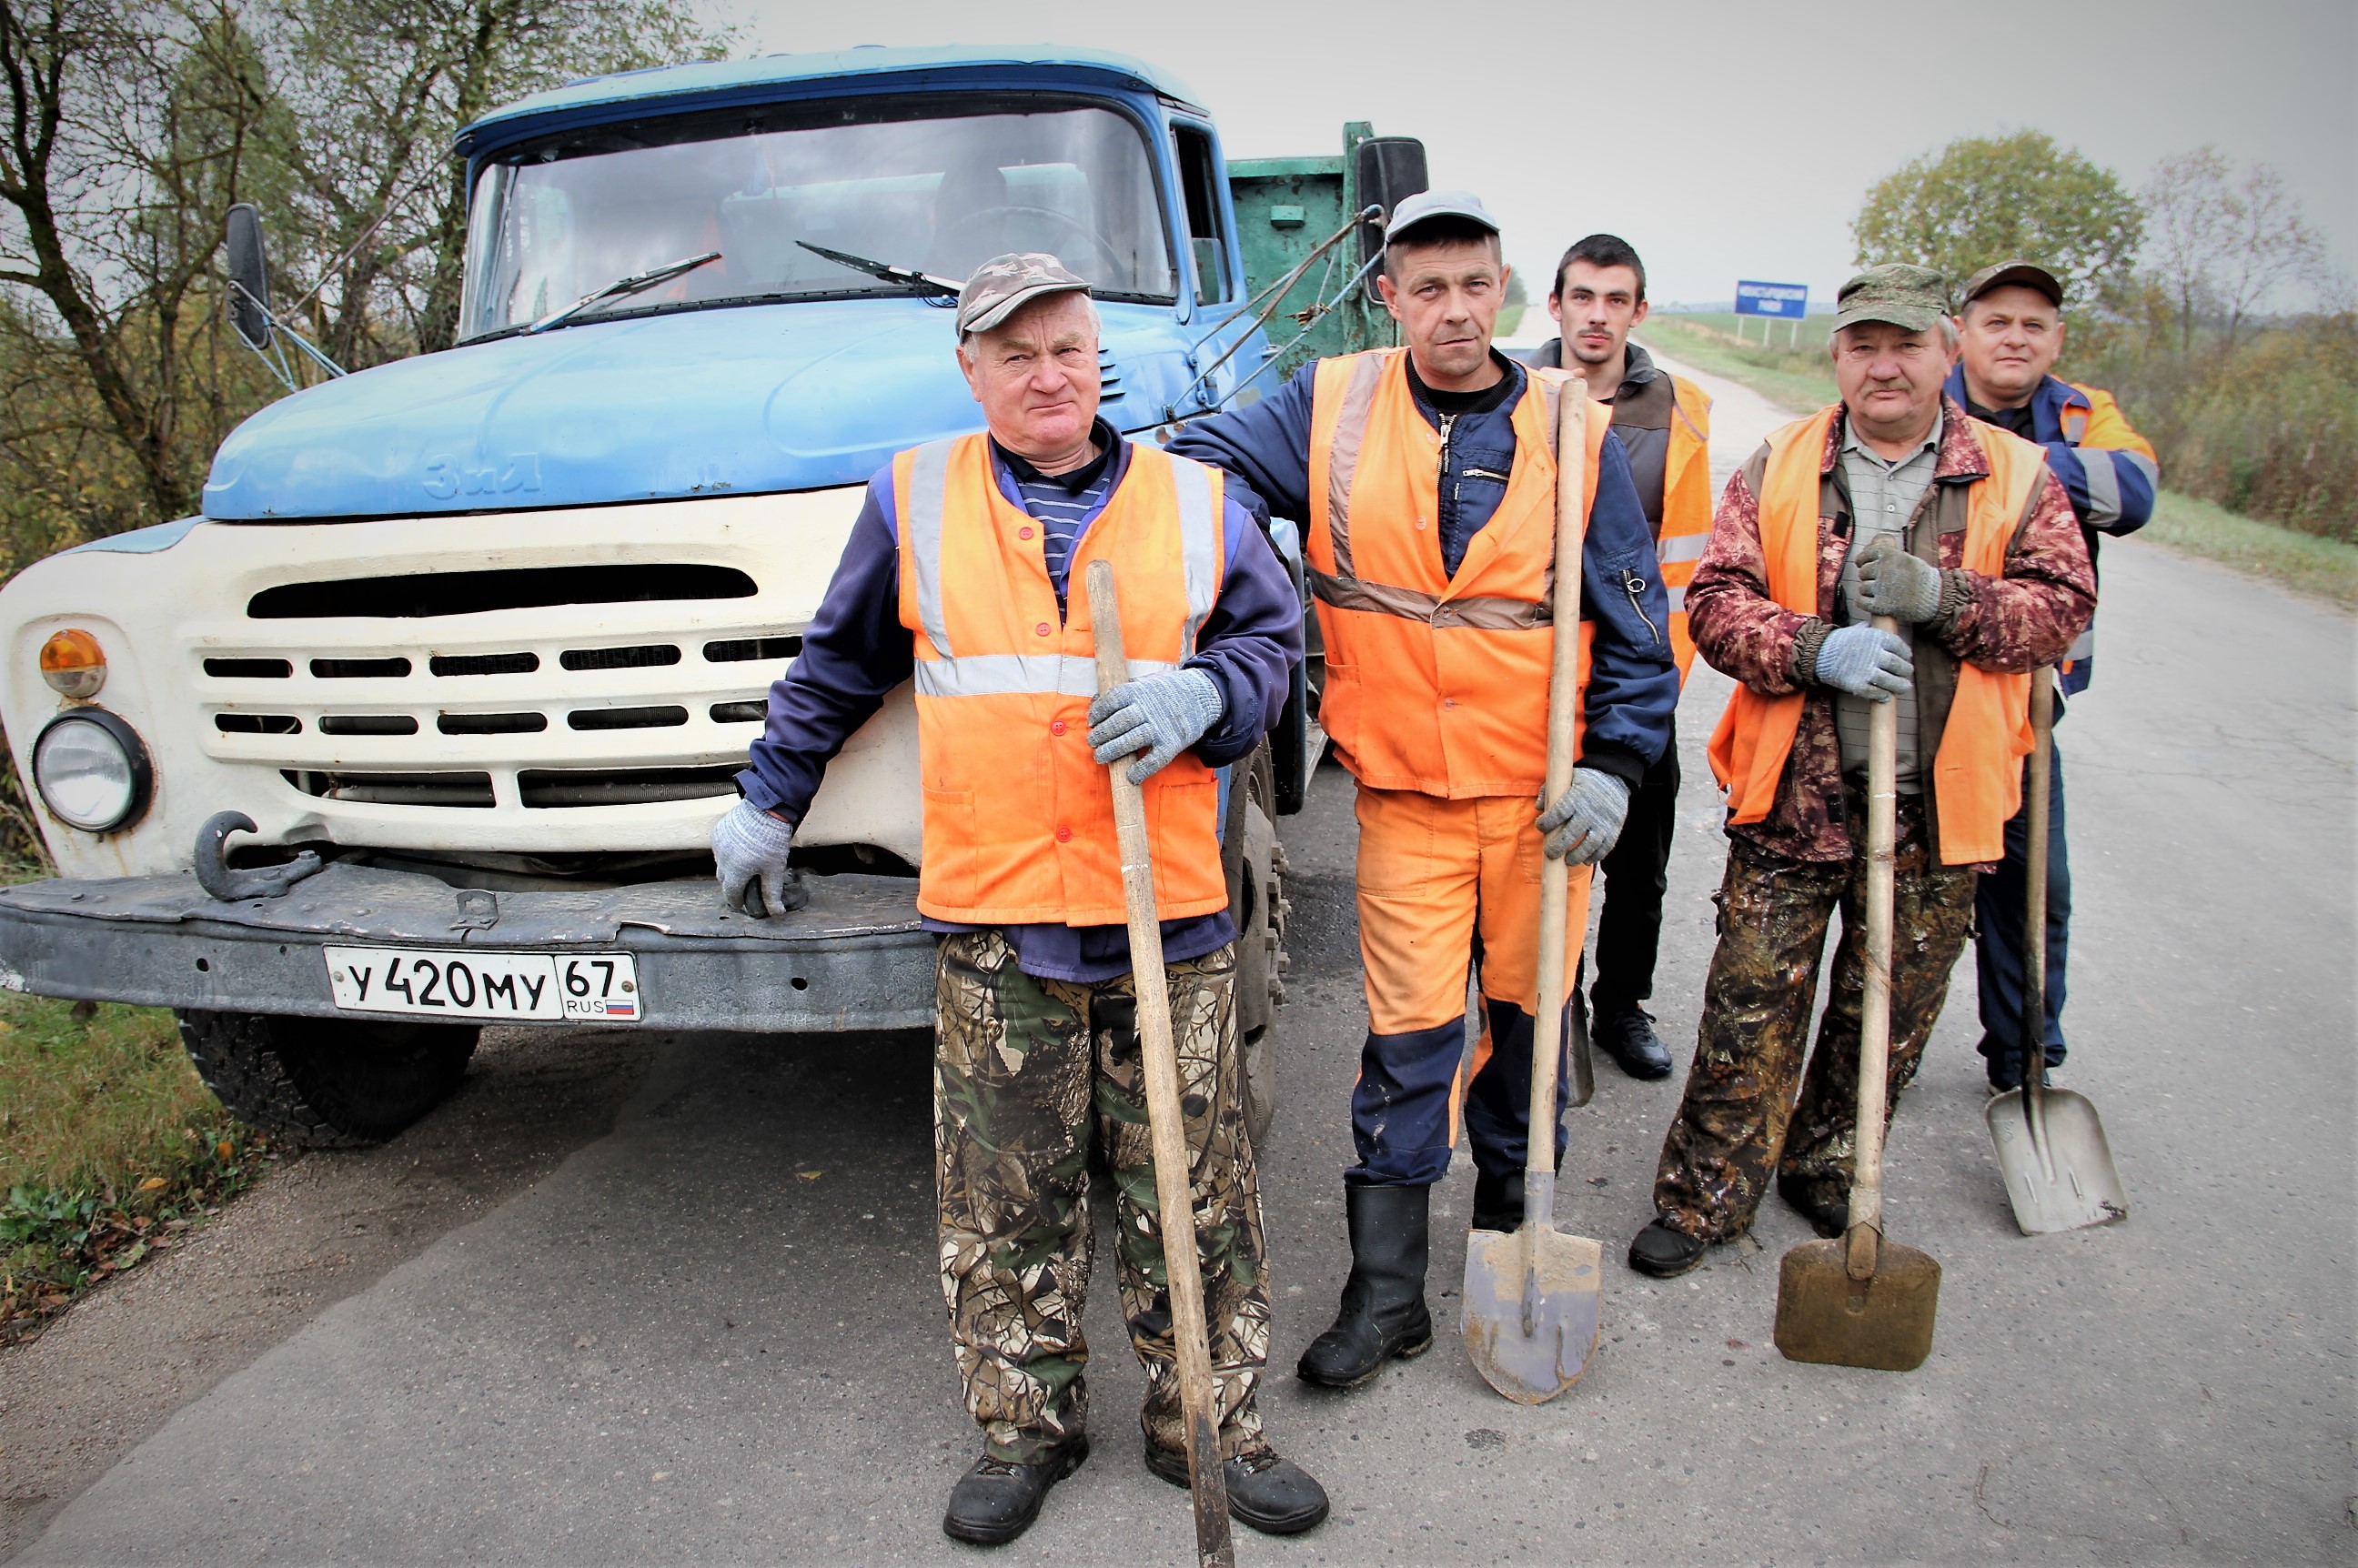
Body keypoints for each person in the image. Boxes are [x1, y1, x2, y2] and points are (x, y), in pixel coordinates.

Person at [709, 254, 1326, 1545]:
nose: (1048, 375)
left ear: (1100, 359)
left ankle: (1210, 1426)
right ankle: (1023, 1428)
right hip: (1000, 921)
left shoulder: (1198, 501)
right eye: (1016, 354)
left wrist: (1209, 696)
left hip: (1169, 914)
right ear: (972, 371)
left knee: (1194, 1189)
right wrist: (770, 798)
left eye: (1068, 349)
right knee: (1008, 1197)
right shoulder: (915, 500)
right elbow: (838, 666)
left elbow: (1276, 654)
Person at [1172, 192, 1677, 1383]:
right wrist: (1251, 549)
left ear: (1503, 290)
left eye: (1474, 284)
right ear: (1389, 297)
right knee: (1405, 1044)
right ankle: (1386, 1296)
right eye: (1427, 287)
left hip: (1539, 811)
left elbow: (1640, 628)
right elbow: (1194, 468)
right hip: (1401, 803)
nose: (1454, 309)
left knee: (1527, 1033)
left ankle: (1512, 1247)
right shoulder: (1330, 403)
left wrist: (1613, 766)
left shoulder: (1573, 426)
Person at [1628, 264, 2096, 1280]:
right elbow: (1715, 603)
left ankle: (1830, 1163)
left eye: (1906, 344)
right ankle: (1706, 1195)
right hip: (1798, 790)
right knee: (1750, 1000)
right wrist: (1811, 648)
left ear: (1948, 350)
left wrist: (1948, 596)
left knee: (1886, 1008)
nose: (1884, 365)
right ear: (1837, 356)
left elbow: (2062, 607)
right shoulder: (1782, 463)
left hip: (1944, 795)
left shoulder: (2017, 474)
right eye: (1862, 346)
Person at [1945, 261, 2160, 1091]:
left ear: (2057, 339)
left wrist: (2008, 459)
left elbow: (2132, 490)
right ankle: (1873, 1044)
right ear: (1962, 332)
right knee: (1911, 877)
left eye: (2034, 325)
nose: (2015, 338)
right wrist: (2055, 468)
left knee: (2036, 880)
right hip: (1936, 689)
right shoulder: (1932, 391)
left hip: (2033, 697)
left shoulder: (2082, 410)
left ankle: (2027, 1050)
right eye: (1997, 321)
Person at [1535, 234, 1715, 1080]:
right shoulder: (1515, 394)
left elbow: (1686, 561)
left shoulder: (1677, 412)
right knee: (1541, 852)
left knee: (1639, 862)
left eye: (1616, 300)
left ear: (1638, 311)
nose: (1597, 315)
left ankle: (1623, 1008)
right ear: (1555, 305)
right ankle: (1548, 1004)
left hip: (1635, 682)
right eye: (1583, 297)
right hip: (1536, 681)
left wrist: (1656, 689)